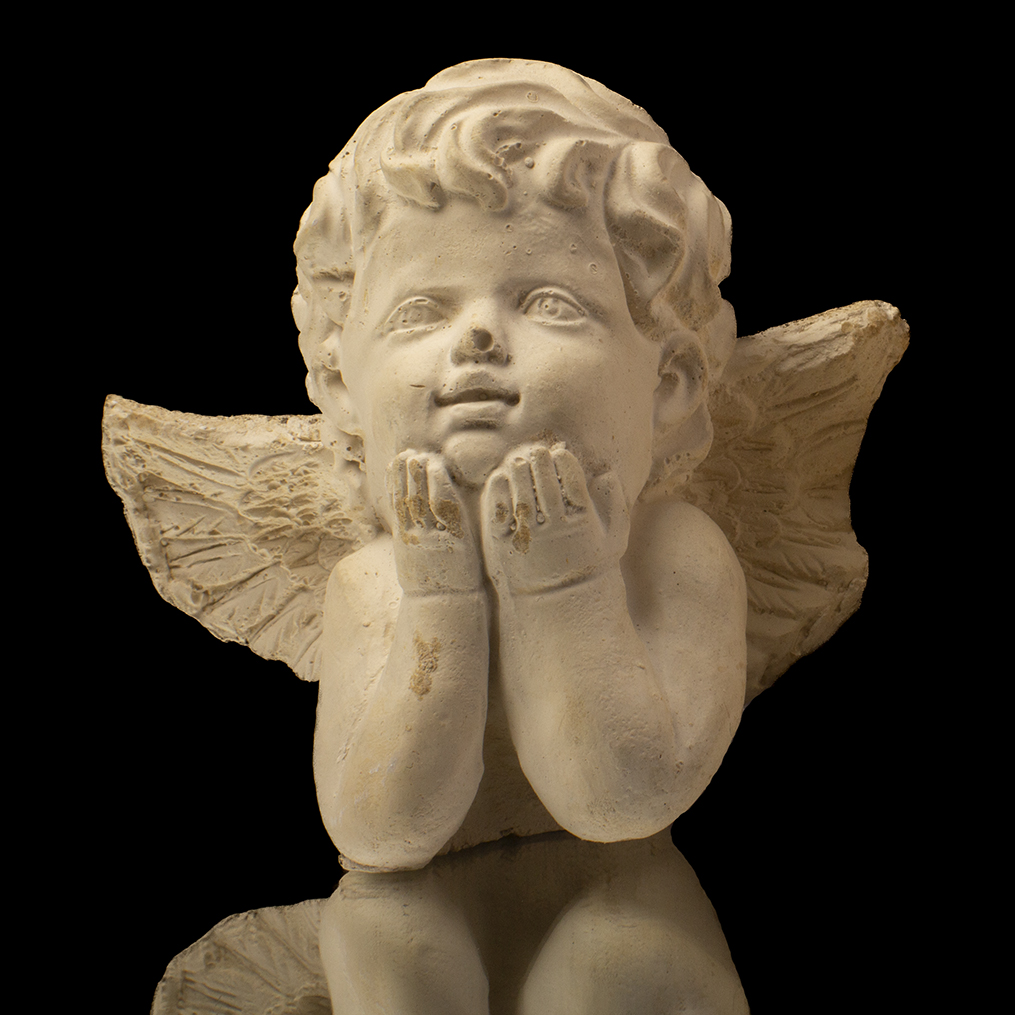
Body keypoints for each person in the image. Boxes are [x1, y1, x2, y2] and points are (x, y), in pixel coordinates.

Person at [292, 59, 747, 871]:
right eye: (420, 311)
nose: (476, 337)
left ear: (669, 382)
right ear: (339, 385)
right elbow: (378, 832)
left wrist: (567, 587)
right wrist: (438, 602)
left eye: (548, 303)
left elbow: (623, 802)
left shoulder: (675, 553)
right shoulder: (369, 580)